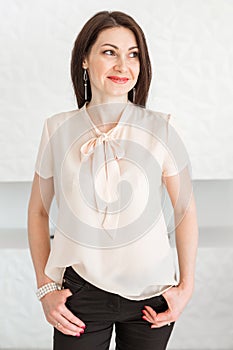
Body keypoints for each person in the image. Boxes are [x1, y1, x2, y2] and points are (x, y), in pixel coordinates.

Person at [27, 10, 199, 350]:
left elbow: (186, 212)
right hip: (80, 294)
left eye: (133, 54)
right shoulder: (57, 128)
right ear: (85, 61)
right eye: (109, 52)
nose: (123, 65)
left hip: (152, 297)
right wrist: (46, 288)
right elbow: (38, 213)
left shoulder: (161, 127)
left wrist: (186, 287)